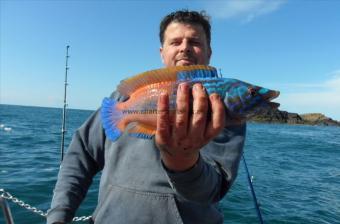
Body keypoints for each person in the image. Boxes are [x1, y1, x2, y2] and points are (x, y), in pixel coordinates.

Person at [47, 10, 246, 224]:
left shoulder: (222, 108)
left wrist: (183, 160)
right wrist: (59, 215)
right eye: (175, 42)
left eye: (195, 41)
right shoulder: (124, 99)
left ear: (209, 52)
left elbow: (212, 190)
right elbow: (81, 154)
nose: (185, 48)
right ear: (162, 52)